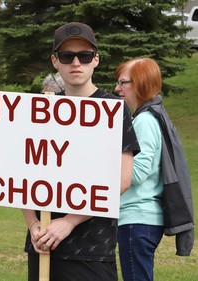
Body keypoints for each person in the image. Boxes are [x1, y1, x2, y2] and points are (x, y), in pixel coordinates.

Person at [22, 22, 140, 281]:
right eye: (67, 56)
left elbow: (121, 180)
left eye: (84, 56)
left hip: (92, 249)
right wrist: (33, 225)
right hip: (43, 246)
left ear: (95, 60)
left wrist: (69, 221)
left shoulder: (114, 109)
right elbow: (22, 177)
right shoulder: (42, 110)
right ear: (55, 61)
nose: (76, 63)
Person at [114, 58, 165, 281]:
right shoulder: (147, 117)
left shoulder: (144, 121)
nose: (117, 89)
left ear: (140, 83)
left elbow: (136, 174)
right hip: (141, 221)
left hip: (137, 219)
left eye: (123, 83)